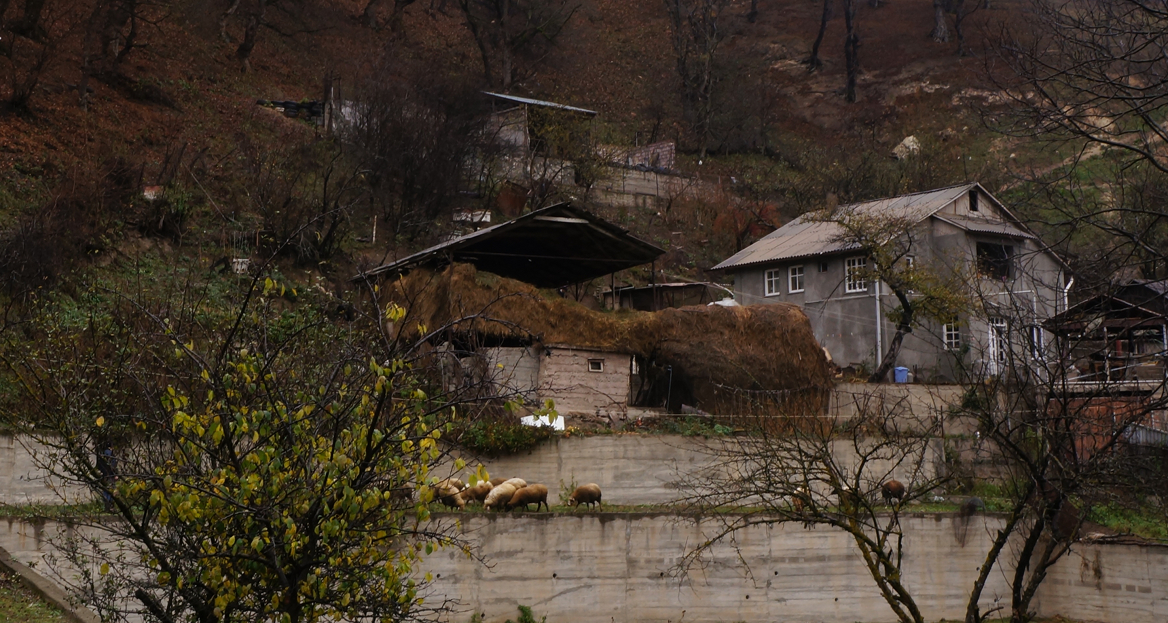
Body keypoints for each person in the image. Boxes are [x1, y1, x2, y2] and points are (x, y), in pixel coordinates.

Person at [96, 445, 117, 512]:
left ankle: (107, 507)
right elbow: (112, 467)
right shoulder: (111, 456)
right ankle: (111, 507)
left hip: (103, 476)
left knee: (106, 491)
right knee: (111, 491)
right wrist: (115, 474)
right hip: (110, 476)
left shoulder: (101, 456)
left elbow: (99, 466)